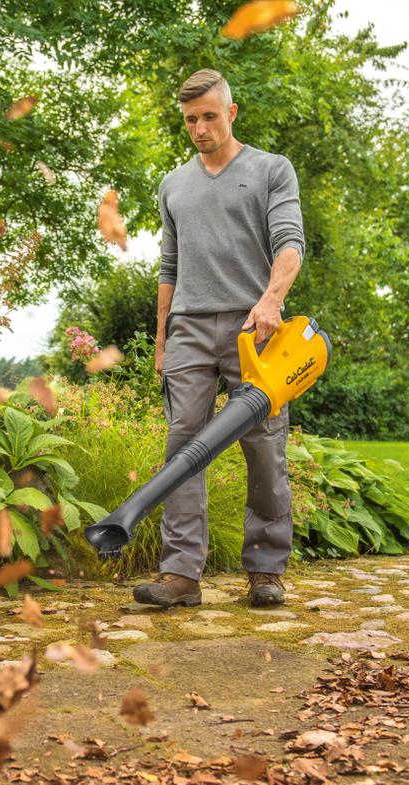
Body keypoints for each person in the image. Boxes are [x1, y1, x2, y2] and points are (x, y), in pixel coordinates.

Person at [132, 69, 305, 610]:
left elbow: (290, 244)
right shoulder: (173, 184)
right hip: (188, 327)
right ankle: (180, 575)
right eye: (190, 120)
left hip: (255, 330)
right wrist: (161, 339)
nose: (200, 128)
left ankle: (266, 570)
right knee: (182, 448)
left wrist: (271, 300)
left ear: (231, 113)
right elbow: (169, 265)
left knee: (263, 446)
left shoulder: (271, 170)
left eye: (209, 116)